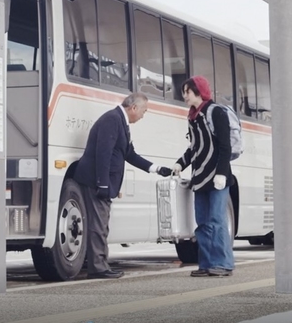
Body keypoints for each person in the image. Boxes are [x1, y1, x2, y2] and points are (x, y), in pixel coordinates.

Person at [74, 92, 174, 279]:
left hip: (102, 182)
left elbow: (130, 154)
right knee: (98, 225)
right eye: (144, 111)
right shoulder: (112, 120)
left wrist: (157, 168)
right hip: (95, 182)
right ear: (133, 108)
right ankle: (98, 268)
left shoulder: (121, 122)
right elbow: (102, 153)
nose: (144, 115)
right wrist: (102, 184)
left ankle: (101, 265)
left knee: (101, 224)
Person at [172, 76, 235, 277]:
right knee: (202, 223)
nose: (184, 96)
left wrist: (222, 173)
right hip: (199, 178)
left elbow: (225, 146)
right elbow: (194, 148)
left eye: (187, 92)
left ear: (199, 91)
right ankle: (207, 264)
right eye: (184, 92)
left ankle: (223, 264)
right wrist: (180, 163)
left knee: (217, 220)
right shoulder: (192, 116)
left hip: (217, 177)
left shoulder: (215, 112)